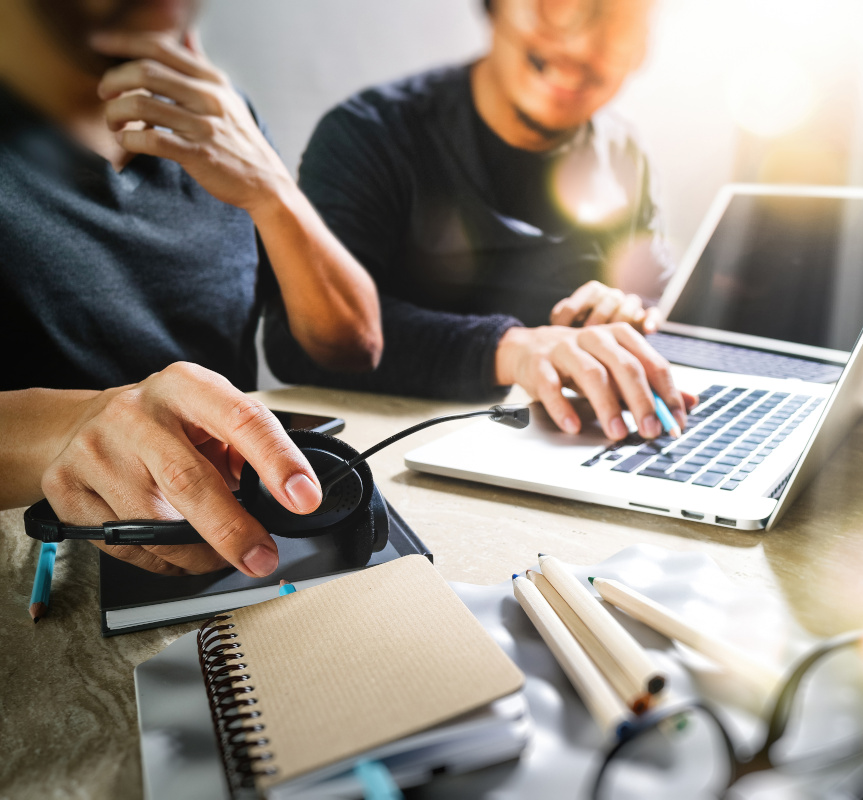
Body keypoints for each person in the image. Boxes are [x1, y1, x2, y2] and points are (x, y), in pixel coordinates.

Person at [0, 0, 385, 576]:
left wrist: (271, 191)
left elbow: (353, 346)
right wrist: (79, 424)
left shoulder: (222, 116)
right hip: (47, 570)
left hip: (244, 555)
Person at [265, 0, 692, 442]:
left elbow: (657, 303)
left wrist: (632, 315)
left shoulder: (623, 151)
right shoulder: (367, 137)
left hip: (581, 442)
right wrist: (510, 350)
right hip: (402, 452)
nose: (583, 45)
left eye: (619, 20)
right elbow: (298, 344)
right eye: (558, 6)